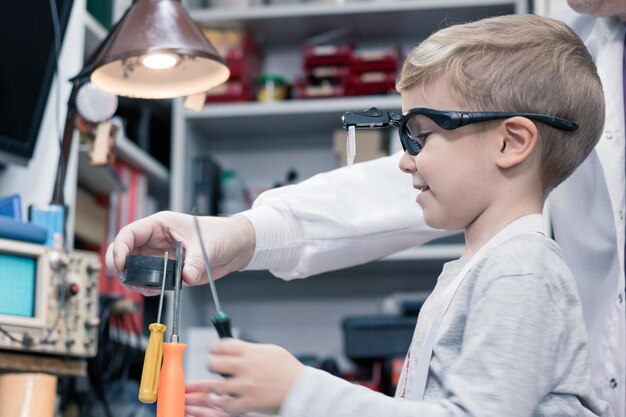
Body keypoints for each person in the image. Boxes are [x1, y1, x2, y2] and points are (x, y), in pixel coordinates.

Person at [106, 2, 626, 415]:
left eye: (420, 134)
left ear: (512, 143)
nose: (403, 161)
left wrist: (299, 392)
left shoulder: (522, 272)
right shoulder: (482, 270)